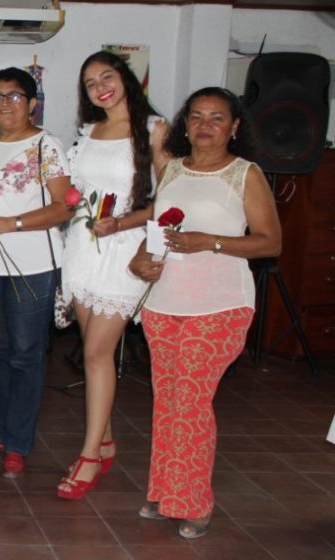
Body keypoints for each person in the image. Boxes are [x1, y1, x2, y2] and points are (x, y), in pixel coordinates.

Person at [129, 87, 280, 539]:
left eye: (217, 117)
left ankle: (195, 504)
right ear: (185, 124)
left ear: (235, 127)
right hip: (164, 303)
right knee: (168, 401)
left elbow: (270, 242)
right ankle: (165, 492)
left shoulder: (245, 174)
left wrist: (208, 241)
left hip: (220, 305)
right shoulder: (173, 168)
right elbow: (159, 230)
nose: (205, 126)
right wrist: (140, 258)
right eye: (196, 117)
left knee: (192, 402)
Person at [57, 51, 171, 500]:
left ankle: (89, 456)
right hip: (83, 249)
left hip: (126, 251)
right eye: (90, 83)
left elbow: (167, 200)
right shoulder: (89, 132)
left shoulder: (154, 130)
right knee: (92, 349)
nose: (100, 86)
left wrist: (121, 224)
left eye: (107, 76)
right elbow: (79, 193)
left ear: (126, 79)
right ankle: (104, 443)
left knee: (97, 353)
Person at [0, 67, 74, 479]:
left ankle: (19, 443)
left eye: (15, 96)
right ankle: (2, 430)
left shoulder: (46, 145)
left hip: (31, 264)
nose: (4, 103)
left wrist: (9, 224)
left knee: (26, 354)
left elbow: (64, 206)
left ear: (32, 103)